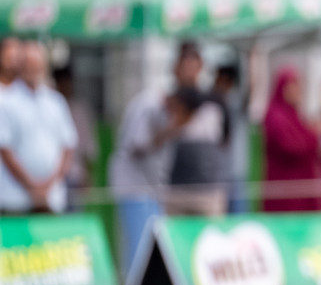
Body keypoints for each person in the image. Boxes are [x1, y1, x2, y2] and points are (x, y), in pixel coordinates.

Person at [109, 45, 201, 263]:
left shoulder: (167, 114)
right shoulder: (149, 104)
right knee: (138, 250)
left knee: (152, 250)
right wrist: (168, 132)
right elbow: (135, 146)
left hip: (153, 191)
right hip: (133, 188)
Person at [0, 42, 78, 215]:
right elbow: (5, 150)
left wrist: (49, 185)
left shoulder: (55, 101)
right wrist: (32, 186)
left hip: (52, 198)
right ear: (20, 67)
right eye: (28, 65)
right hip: (16, 200)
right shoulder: (5, 101)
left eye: (37, 65)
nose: (33, 69)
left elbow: (68, 146)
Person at [262, 68, 321, 213]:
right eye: (292, 86)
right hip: (286, 192)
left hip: (301, 191)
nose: (297, 90)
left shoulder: (295, 115)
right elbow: (291, 147)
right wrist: (314, 135)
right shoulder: (275, 116)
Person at [163, 80, 229, 217]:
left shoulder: (210, 117)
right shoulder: (170, 124)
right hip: (177, 193)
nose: (174, 112)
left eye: (177, 108)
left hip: (207, 193)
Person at [53, 63, 99, 210]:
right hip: (52, 176)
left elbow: (87, 146)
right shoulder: (49, 106)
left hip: (74, 175)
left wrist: (87, 175)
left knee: (73, 221)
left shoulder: (79, 109)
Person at [214, 63, 249, 213]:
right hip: (219, 171)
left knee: (236, 216)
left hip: (234, 170)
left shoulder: (234, 101)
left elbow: (251, 91)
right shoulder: (216, 101)